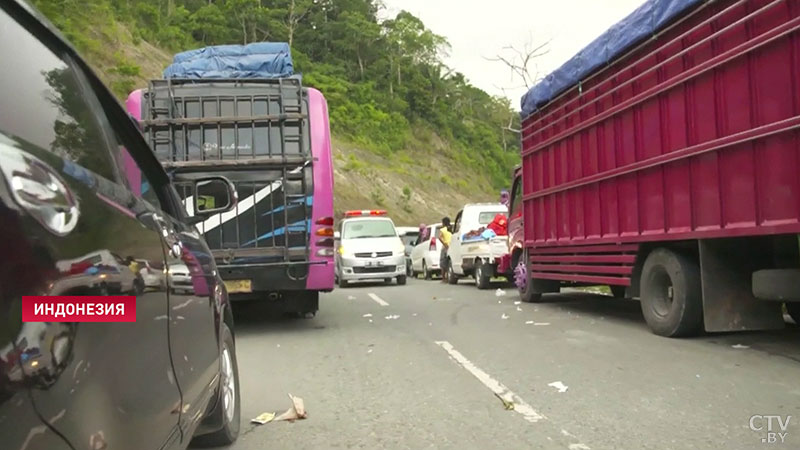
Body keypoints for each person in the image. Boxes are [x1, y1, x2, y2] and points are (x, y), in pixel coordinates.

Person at [439, 217, 452, 283]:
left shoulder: (443, 229)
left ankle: (443, 278)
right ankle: (448, 276)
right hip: (451, 246)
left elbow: (440, 237)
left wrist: (444, 244)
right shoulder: (451, 229)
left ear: (443, 223)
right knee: (448, 262)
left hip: (445, 247)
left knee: (443, 263)